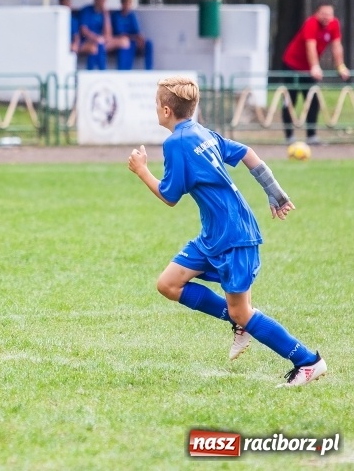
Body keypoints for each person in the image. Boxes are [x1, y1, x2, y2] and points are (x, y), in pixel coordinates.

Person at [127, 76, 327, 388]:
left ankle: (307, 361)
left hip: (234, 237)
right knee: (168, 284)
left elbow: (169, 196)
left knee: (243, 312)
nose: (156, 110)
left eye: (156, 105)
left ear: (166, 110)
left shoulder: (176, 143)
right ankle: (239, 321)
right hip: (215, 235)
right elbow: (246, 152)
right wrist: (273, 190)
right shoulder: (200, 132)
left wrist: (141, 170)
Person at [281, 3, 350, 145]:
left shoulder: (334, 24)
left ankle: (311, 136)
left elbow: (337, 46)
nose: (327, 17)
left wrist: (341, 66)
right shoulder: (311, 23)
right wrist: (315, 67)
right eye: (323, 14)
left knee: (313, 100)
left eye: (329, 14)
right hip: (292, 65)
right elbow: (310, 47)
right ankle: (289, 137)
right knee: (290, 100)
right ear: (317, 13)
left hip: (308, 70)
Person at [78, 0, 129, 70]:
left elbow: (108, 34)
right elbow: (84, 30)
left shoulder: (105, 13)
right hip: (88, 42)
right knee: (95, 48)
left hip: (102, 42)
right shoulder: (87, 10)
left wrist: (106, 15)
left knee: (125, 42)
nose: (102, 0)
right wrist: (96, 38)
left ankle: (124, 72)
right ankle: (100, 71)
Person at [111, 0, 153, 70]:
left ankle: (149, 70)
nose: (127, 5)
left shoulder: (132, 15)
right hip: (122, 40)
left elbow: (137, 31)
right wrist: (134, 37)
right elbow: (120, 34)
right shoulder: (116, 16)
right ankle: (124, 71)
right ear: (122, 3)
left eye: (129, 3)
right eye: (126, 2)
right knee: (127, 45)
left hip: (133, 39)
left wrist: (141, 38)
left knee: (148, 43)